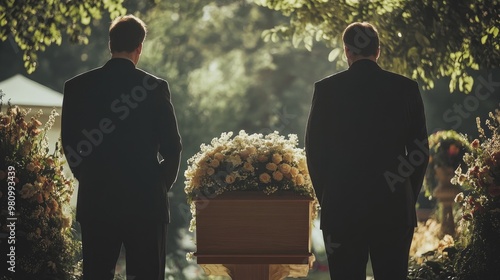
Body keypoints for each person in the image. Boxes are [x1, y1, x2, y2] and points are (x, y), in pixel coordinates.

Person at [61, 15, 182, 280]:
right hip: (146, 202)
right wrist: (158, 184)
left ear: (110, 44)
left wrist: (91, 176)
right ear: (139, 47)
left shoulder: (77, 87)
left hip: (97, 201)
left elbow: (70, 144)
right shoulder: (155, 88)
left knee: (96, 274)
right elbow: (173, 148)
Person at [305, 22, 428, 279]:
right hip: (393, 207)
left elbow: (315, 152)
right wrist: (405, 192)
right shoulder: (406, 88)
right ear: (378, 50)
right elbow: (419, 153)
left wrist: (328, 197)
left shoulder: (326, 90)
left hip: (342, 208)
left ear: (347, 51)